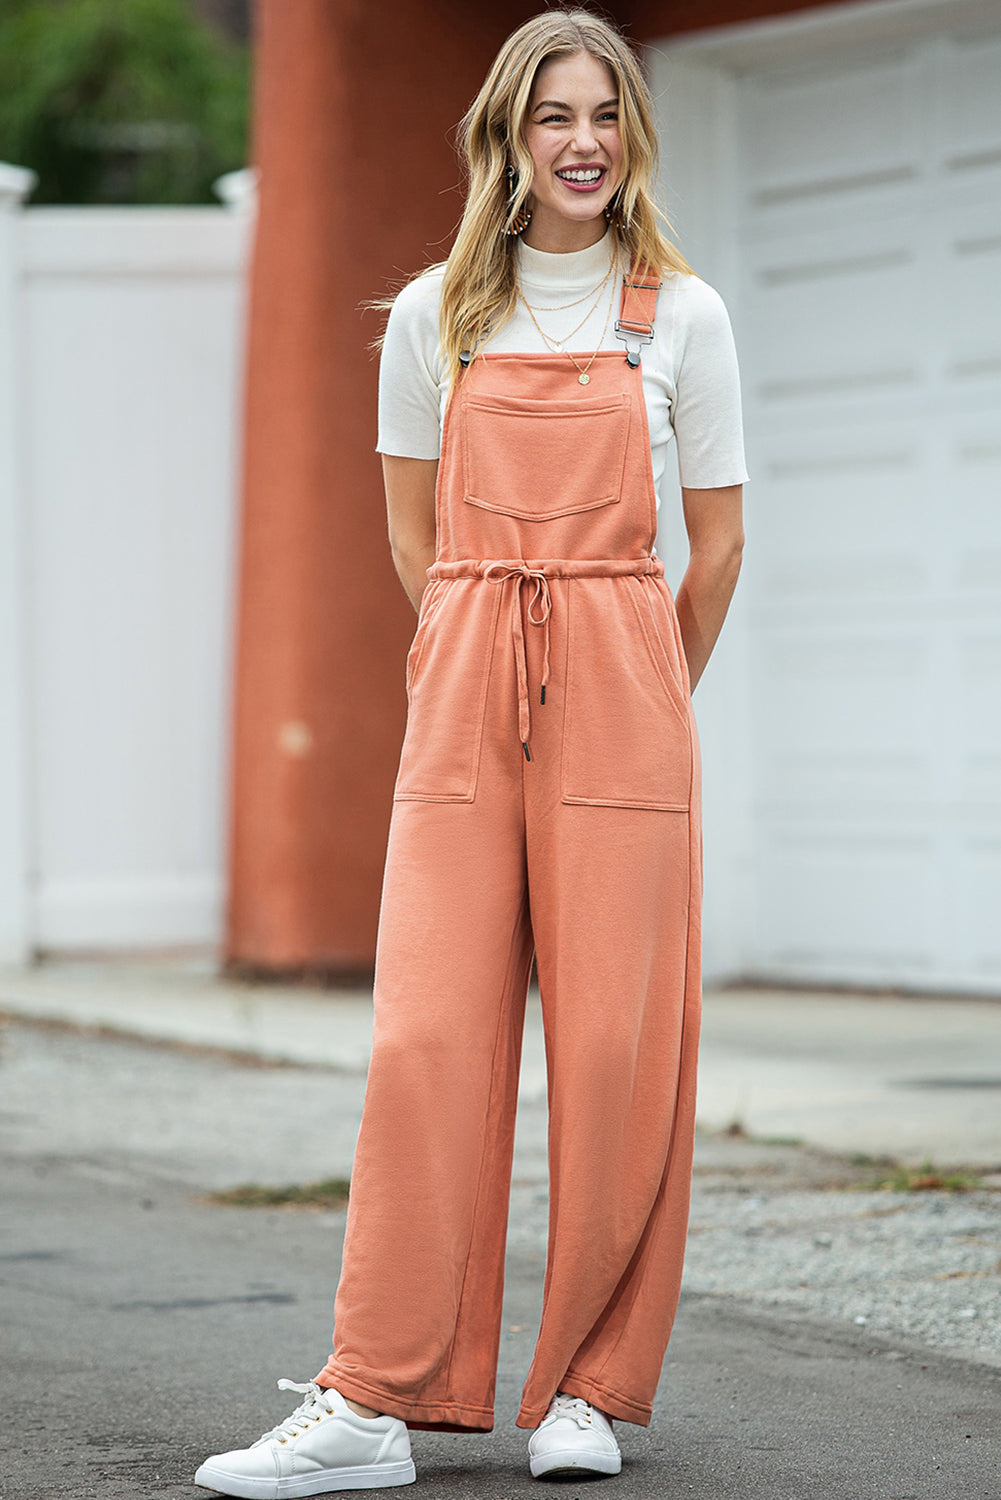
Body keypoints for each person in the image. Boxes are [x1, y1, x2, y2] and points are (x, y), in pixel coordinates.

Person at [195, 7, 747, 1495]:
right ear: (501, 139)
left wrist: (637, 690)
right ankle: (374, 1399)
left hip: (625, 684)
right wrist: (480, 654)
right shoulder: (435, 312)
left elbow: (718, 546)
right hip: (467, 674)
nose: (580, 141)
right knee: (423, 1036)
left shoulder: (680, 318)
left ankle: (585, 1392)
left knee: (619, 1051)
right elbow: (408, 536)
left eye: (604, 115)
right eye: (549, 115)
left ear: (631, 135)